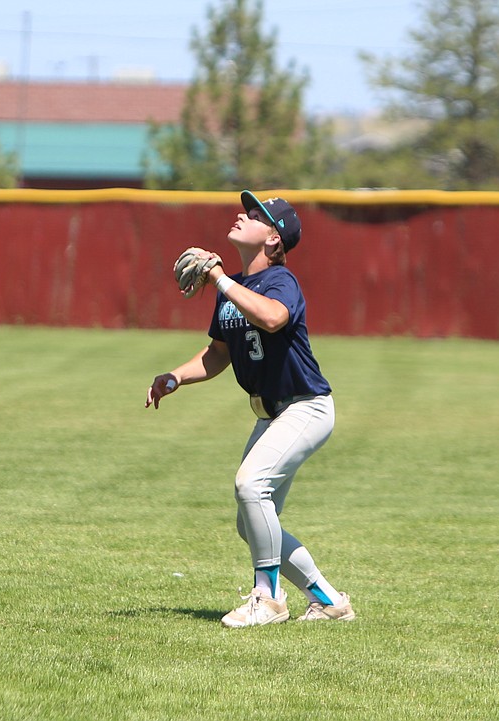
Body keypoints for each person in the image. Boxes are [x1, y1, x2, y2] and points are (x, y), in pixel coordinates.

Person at [145, 190, 355, 628]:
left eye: (256, 215)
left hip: (305, 408)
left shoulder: (281, 282)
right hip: (271, 414)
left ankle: (269, 598)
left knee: (250, 485)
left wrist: (221, 279)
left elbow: (274, 318)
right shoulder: (232, 291)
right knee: (252, 522)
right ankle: (328, 599)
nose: (242, 215)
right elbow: (218, 353)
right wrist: (176, 377)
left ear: (274, 240)